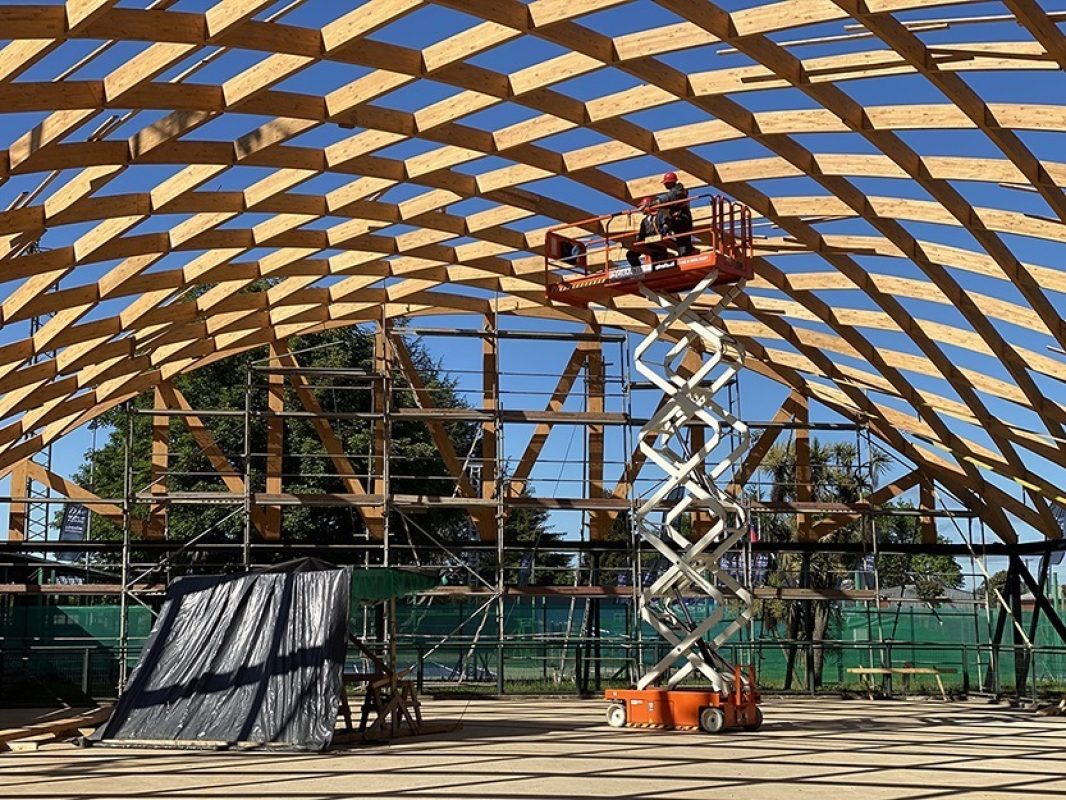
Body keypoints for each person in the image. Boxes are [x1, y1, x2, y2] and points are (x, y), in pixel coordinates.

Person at [656, 171, 694, 254]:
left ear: (671, 182)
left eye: (666, 183)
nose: (665, 185)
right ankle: (686, 253)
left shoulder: (678, 191)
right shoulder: (675, 191)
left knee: (683, 242)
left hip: (682, 219)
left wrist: (656, 202)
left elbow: (669, 198)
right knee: (682, 242)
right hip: (680, 219)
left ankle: (686, 254)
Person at [626, 197, 669, 269]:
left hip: (659, 243)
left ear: (648, 206)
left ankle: (659, 267)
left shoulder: (660, 215)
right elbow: (641, 234)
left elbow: (666, 226)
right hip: (649, 243)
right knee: (631, 254)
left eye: (642, 206)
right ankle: (638, 271)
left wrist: (662, 234)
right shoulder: (645, 221)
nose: (641, 209)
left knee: (657, 262)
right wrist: (637, 242)